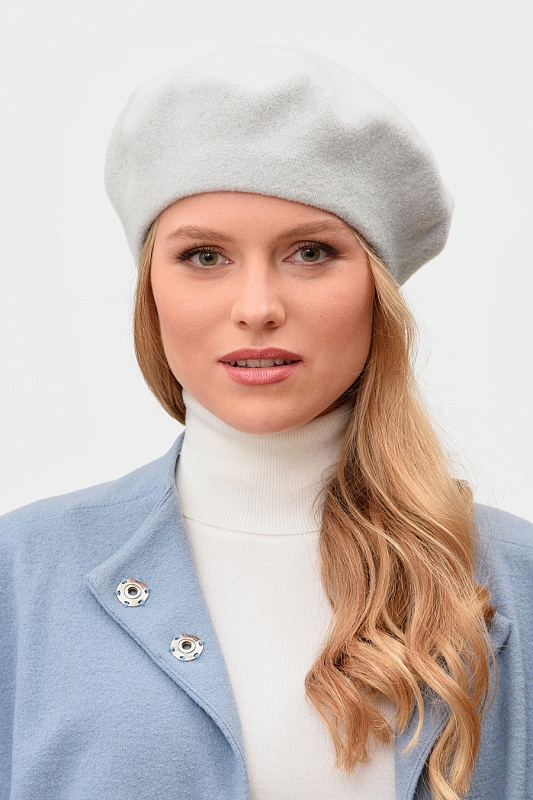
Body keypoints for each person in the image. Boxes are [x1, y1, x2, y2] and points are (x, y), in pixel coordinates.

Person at [0, 45, 531, 800]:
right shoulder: (21, 575)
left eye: (310, 252)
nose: (257, 307)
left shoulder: (514, 579)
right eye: (204, 256)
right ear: (151, 290)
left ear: (376, 291)